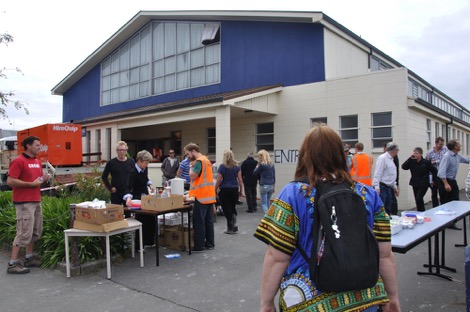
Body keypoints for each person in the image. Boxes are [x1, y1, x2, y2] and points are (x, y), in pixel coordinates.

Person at [254, 124, 400, 312]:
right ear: (341, 154)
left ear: (305, 155)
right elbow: (384, 254)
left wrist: (266, 303)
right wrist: (393, 297)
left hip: (309, 301)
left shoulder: (292, 195)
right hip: (365, 299)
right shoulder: (368, 194)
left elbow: (277, 258)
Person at [6, 136, 51, 274]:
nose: (39, 147)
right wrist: (30, 184)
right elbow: (10, 181)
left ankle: (29, 258)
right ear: (28, 146)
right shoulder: (18, 161)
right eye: (37, 145)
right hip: (24, 202)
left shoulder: (37, 162)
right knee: (24, 232)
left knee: (35, 231)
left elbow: (37, 179)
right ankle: (13, 264)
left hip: (36, 200)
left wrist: (44, 178)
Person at [184, 143, 217, 252]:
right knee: (208, 221)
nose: (187, 156)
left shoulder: (198, 162)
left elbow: (193, 175)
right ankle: (210, 243)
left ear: (193, 151)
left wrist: (190, 166)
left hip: (201, 196)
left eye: (188, 154)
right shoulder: (206, 160)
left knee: (198, 222)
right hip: (208, 195)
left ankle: (199, 246)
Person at [124, 150, 156, 247]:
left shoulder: (144, 169)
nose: (147, 165)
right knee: (142, 220)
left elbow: (145, 178)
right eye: (145, 163)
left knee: (151, 218)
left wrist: (149, 184)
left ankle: (150, 241)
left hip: (145, 196)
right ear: (139, 161)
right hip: (137, 198)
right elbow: (128, 187)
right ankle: (139, 245)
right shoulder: (132, 172)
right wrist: (128, 198)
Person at [437, 140, 470, 230]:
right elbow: (441, 172)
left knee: (455, 201)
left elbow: (467, 160)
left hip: (452, 180)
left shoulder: (457, 156)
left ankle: (451, 222)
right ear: (455, 147)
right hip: (444, 181)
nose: (461, 145)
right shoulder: (447, 156)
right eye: (459, 144)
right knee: (446, 202)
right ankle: (444, 223)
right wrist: (446, 184)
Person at [215, 150, 244, 234]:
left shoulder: (222, 167)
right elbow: (240, 180)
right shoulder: (237, 166)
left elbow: (219, 180)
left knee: (226, 208)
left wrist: (215, 189)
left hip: (225, 189)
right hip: (234, 189)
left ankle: (230, 228)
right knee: (232, 206)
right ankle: (234, 222)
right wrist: (240, 191)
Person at [401, 147, 438, 212]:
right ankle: (420, 212)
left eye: (416, 153)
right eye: (414, 153)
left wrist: (434, 180)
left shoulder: (426, 162)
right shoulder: (411, 161)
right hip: (415, 183)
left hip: (424, 183)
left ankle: (422, 212)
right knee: (417, 199)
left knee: (419, 198)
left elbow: (434, 171)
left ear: (420, 154)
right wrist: (410, 158)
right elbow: (404, 167)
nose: (415, 154)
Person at [101, 141, 135, 206]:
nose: (122, 152)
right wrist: (110, 188)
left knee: (128, 213)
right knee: (116, 213)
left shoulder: (131, 162)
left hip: (127, 192)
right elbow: (104, 176)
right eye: (120, 150)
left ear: (126, 151)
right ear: (117, 151)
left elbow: (134, 176)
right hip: (116, 192)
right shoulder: (111, 163)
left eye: (124, 150)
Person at [372, 142, 400, 216]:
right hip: (382, 187)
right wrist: (376, 187)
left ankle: (387, 224)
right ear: (394, 151)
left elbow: (391, 175)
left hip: (388, 187)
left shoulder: (391, 159)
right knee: (381, 208)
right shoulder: (383, 158)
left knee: (388, 208)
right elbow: (378, 173)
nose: (397, 152)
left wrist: (395, 187)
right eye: (397, 150)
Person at [425, 137, 448, 207]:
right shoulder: (429, 153)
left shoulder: (445, 150)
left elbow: (445, 160)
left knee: (442, 192)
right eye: (440, 144)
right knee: (434, 193)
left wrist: (435, 162)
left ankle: (443, 207)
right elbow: (427, 164)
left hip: (442, 175)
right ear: (436, 143)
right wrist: (430, 178)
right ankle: (435, 208)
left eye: (442, 144)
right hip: (433, 175)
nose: (441, 146)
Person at [254, 149, 276, 214]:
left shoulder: (261, 164)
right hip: (271, 185)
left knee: (263, 203)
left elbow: (255, 172)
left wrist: (257, 165)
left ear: (262, 157)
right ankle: (270, 216)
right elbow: (274, 176)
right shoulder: (271, 164)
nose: (258, 158)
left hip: (263, 185)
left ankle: (267, 217)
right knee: (268, 201)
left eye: (259, 157)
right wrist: (274, 186)